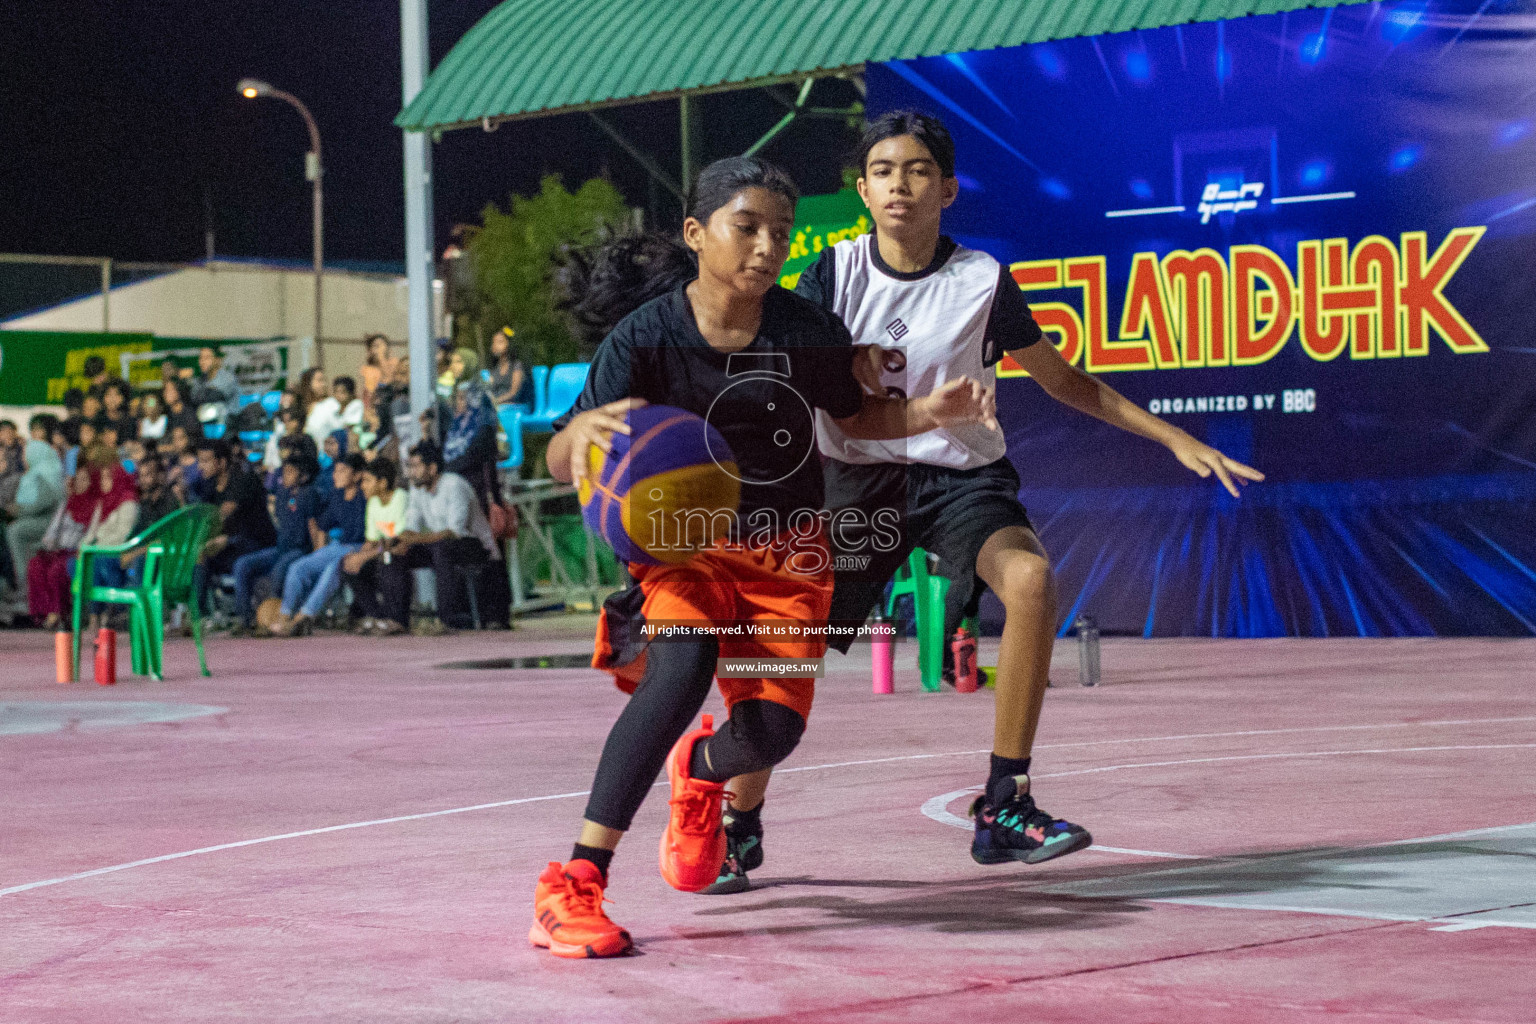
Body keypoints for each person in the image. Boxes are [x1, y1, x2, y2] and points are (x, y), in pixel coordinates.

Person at [680, 111, 1265, 892]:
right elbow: (778, 376)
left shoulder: (982, 280)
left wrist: (1171, 438)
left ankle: (1005, 805)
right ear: (862, 191)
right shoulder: (831, 276)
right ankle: (740, 824)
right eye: (884, 170)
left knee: (1030, 581)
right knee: (787, 669)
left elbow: (1064, 381)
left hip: (961, 479)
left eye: (918, 170)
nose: (900, 184)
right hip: (856, 481)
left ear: (947, 189)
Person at [528, 155, 994, 958]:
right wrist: (578, 439)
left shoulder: (803, 330)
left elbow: (858, 419)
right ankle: (574, 882)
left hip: (789, 553)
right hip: (682, 551)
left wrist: (925, 409)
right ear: (696, 232)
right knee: (677, 673)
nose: (767, 247)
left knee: (772, 735)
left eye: (779, 232)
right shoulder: (644, 338)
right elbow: (561, 454)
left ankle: (703, 770)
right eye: (747, 228)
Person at [353, 440, 501, 636]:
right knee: (397, 553)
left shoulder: (454, 485)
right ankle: (396, 620)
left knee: (442, 548)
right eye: (409, 466)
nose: (411, 472)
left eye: (416, 466)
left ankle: (446, 619)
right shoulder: (417, 490)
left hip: (475, 546)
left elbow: (454, 531)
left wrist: (414, 539)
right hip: (439, 544)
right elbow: (410, 528)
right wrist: (400, 542)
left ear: (432, 468)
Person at [27, 446, 138, 629]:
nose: (103, 482)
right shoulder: (102, 503)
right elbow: (92, 533)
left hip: (114, 551)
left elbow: (122, 535)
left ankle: (102, 613)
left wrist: (90, 548)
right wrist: (84, 548)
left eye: (107, 478)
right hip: (91, 550)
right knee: (42, 563)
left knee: (88, 564)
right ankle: (54, 614)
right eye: (102, 478)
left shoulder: (127, 503)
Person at [271, 453, 367, 636]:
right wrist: (319, 550)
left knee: (333, 568)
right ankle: (285, 616)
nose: (335, 475)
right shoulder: (337, 495)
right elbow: (322, 525)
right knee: (298, 567)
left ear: (357, 475)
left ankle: (304, 616)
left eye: (342, 471)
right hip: (339, 546)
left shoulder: (364, 496)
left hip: (359, 547)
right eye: (335, 470)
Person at [228, 452, 317, 636]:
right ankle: (245, 619)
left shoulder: (309, 494)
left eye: (291, 472)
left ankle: (275, 620)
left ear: (304, 475)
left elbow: (313, 526)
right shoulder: (282, 494)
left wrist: (316, 554)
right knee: (242, 565)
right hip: (280, 548)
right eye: (284, 471)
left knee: (279, 569)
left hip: (300, 549)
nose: (285, 475)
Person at [90, 452, 182, 629]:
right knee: (104, 560)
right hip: (143, 552)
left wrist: (134, 552)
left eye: (149, 475)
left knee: (139, 561)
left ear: (161, 476)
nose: (144, 480)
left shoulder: (170, 501)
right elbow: (135, 534)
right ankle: (110, 613)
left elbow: (166, 539)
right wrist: (125, 549)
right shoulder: (145, 502)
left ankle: (139, 612)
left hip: (164, 558)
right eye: (142, 475)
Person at [193, 438, 277, 612]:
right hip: (230, 544)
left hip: (257, 543)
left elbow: (221, 515)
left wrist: (211, 539)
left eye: (205, 461)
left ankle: (244, 619)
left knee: (234, 560)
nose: (200, 467)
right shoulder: (209, 485)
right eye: (199, 461)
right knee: (197, 556)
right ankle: (198, 616)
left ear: (222, 462)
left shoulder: (242, 480)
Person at [340, 457, 409, 635]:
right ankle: (377, 617)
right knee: (348, 565)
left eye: (367, 481)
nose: (363, 485)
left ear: (383, 483)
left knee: (390, 558)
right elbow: (372, 540)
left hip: (408, 550)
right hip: (383, 550)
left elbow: (396, 539)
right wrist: (357, 557)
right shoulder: (373, 503)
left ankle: (396, 620)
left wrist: (365, 555)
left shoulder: (401, 498)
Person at [2, 436, 65, 613]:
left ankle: (25, 587)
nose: (23, 459)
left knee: (16, 531)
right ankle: (14, 584)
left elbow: (43, 503)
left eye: (25, 454)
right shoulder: (35, 473)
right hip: (36, 519)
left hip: (50, 522)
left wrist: (17, 511)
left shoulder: (47, 473)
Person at [183, 346, 240, 422]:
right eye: (201, 358)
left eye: (207, 358)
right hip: (205, 423)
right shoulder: (200, 380)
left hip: (227, 422)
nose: (202, 362)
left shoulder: (227, 378)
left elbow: (215, 396)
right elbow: (193, 399)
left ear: (216, 360)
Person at [487, 327, 534, 408]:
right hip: (499, 405)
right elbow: (490, 389)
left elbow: (514, 393)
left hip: (517, 405)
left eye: (500, 342)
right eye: (494, 342)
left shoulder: (517, 365)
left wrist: (495, 401)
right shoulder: (495, 368)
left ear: (509, 344)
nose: (495, 345)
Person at [359, 334, 397, 410]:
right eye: (375, 346)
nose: (379, 349)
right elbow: (370, 391)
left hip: (392, 402)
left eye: (381, 345)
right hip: (375, 404)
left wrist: (381, 358)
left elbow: (389, 382)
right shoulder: (367, 369)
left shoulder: (394, 362)